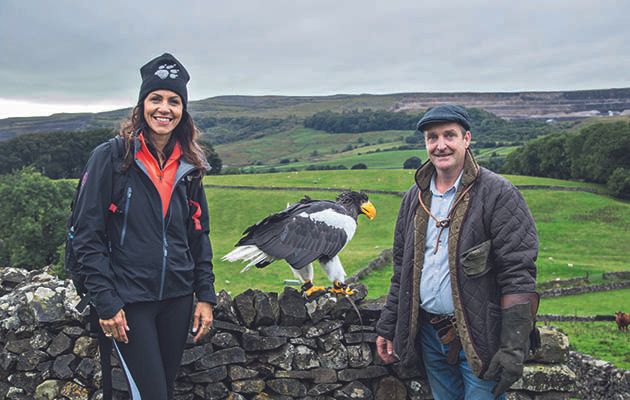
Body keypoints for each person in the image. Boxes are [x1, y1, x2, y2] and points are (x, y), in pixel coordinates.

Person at [72, 53, 217, 399]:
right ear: (141, 107)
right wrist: (105, 300)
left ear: (183, 110)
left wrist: (205, 296)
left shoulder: (190, 166)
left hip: (178, 299)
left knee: (162, 391)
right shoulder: (112, 157)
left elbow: (199, 234)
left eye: (174, 100)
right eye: (156, 98)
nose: (164, 108)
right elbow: (85, 234)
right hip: (130, 301)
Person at [375, 105, 539, 399]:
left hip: (480, 338)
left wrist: (513, 347)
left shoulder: (499, 195)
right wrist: (388, 326)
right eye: (432, 137)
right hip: (429, 334)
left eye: (449, 135)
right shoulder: (415, 197)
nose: (440, 145)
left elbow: (518, 273)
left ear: (467, 139)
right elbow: (402, 269)